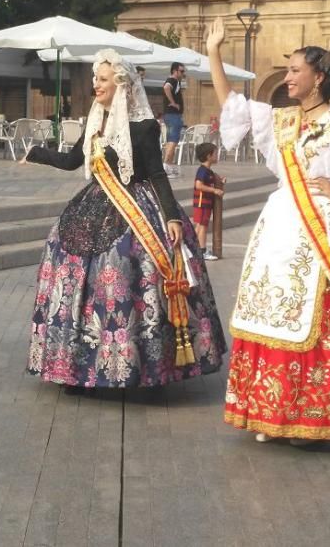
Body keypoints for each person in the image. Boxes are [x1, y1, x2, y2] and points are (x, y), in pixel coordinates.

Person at [205, 17, 330, 444]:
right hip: (281, 224)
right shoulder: (280, 121)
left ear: (318, 78)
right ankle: (272, 412)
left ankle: (314, 415)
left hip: (325, 229)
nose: (289, 77)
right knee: (273, 312)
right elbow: (232, 106)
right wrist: (214, 52)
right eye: (290, 69)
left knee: (320, 320)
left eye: (296, 70)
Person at [20, 49, 226, 390]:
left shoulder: (144, 127)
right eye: (95, 80)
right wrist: (37, 153)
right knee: (66, 254)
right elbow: (73, 161)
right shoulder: (95, 120)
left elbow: (158, 174)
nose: (95, 86)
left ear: (121, 85)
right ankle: (75, 362)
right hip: (95, 203)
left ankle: (143, 364)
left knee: (128, 266)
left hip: (137, 205)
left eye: (102, 80)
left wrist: (172, 217)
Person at [192, 142, 225, 261]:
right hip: (202, 202)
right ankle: (202, 251)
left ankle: (194, 248)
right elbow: (199, 185)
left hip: (206, 203)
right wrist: (214, 190)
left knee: (201, 226)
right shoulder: (202, 170)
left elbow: (211, 180)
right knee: (202, 227)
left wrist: (220, 181)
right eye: (215, 153)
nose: (217, 155)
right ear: (208, 156)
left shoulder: (209, 171)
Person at [162, 62, 186, 178]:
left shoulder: (177, 82)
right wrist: (173, 102)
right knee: (172, 140)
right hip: (172, 115)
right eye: (181, 71)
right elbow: (166, 87)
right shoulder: (173, 80)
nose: (183, 73)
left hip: (172, 115)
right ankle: (166, 166)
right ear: (174, 71)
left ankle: (169, 165)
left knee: (172, 140)